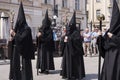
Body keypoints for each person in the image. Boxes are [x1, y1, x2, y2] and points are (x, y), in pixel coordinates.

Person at [9, 2, 35, 80]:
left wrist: (14, 34)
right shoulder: (16, 29)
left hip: (24, 53)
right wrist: (12, 39)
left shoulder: (27, 29)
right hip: (16, 53)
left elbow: (22, 39)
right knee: (16, 67)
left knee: (24, 70)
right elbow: (15, 39)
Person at [97, 0, 120, 80]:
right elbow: (104, 44)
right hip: (108, 56)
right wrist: (100, 37)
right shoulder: (109, 30)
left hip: (117, 57)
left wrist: (113, 37)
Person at [60, 11, 85, 80]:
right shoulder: (68, 32)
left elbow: (78, 42)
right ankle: (68, 74)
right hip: (68, 51)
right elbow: (64, 39)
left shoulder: (76, 33)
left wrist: (69, 39)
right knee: (68, 62)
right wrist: (64, 40)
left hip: (75, 52)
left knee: (75, 63)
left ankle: (75, 75)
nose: (69, 27)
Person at [36, 10, 55, 74]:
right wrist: (37, 36)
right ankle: (42, 68)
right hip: (41, 46)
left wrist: (41, 37)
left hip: (47, 47)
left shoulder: (50, 30)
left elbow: (49, 39)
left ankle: (46, 69)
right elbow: (38, 38)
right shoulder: (41, 29)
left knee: (47, 58)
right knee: (41, 58)